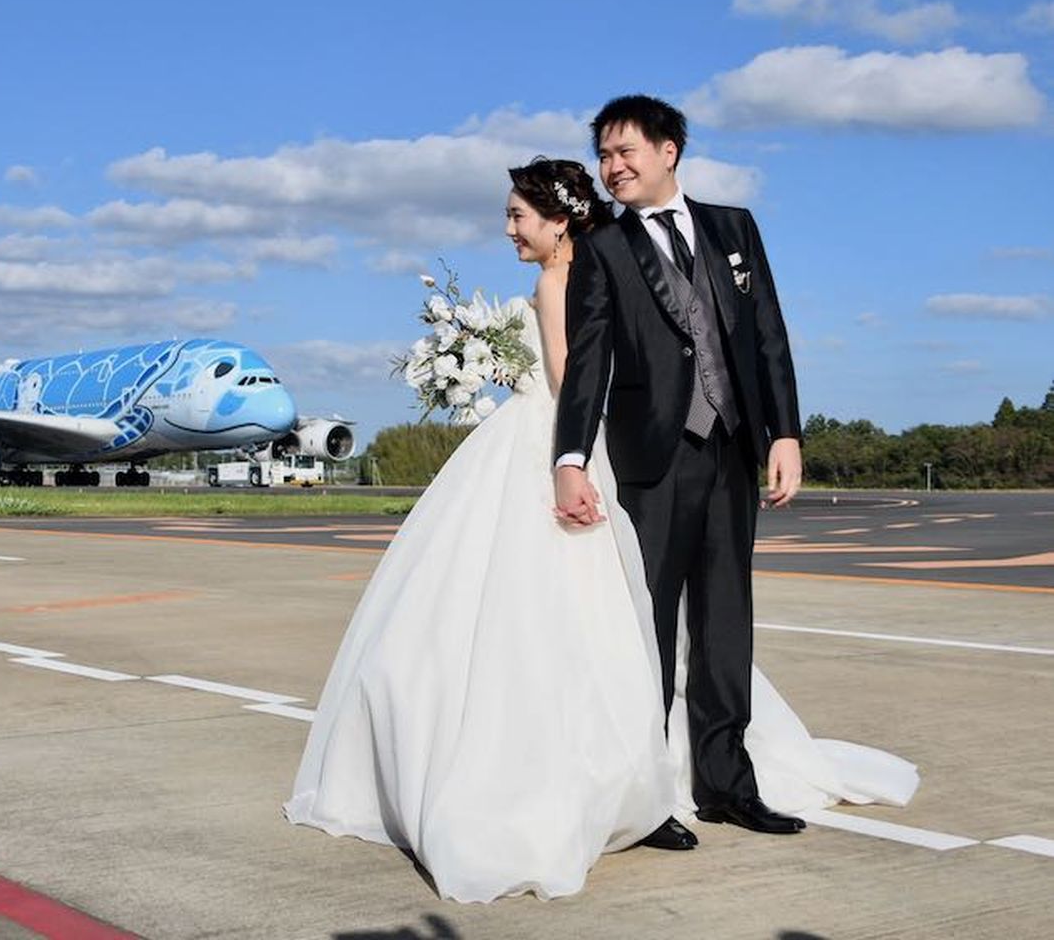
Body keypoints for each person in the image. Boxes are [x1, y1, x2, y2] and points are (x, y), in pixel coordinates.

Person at [285, 157, 916, 903]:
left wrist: (497, 369)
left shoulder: (564, 279)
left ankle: (619, 774)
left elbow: (567, 379)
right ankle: (652, 772)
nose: (508, 229)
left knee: (558, 618)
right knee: (607, 620)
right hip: (559, 449)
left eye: (518, 215)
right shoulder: (577, 271)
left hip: (558, 450)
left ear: (558, 221)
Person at [555, 94, 804, 845]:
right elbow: (588, 359)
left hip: (731, 451)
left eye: (625, 151)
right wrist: (570, 457)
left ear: (669, 151)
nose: (612, 167)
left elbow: (767, 335)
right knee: (649, 630)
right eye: (604, 155)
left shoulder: (735, 228)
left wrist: (784, 434)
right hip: (650, 460)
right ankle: (648, 797)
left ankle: (727, 786)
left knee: (727, 626)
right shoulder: (603, 248)